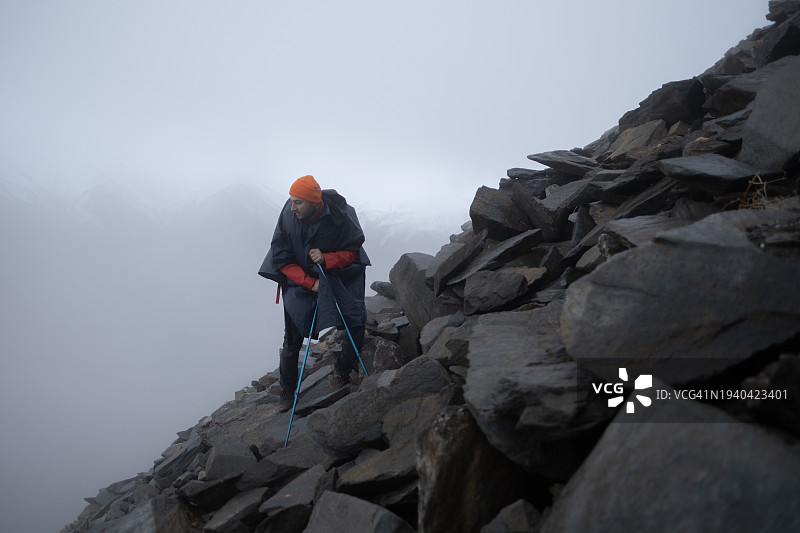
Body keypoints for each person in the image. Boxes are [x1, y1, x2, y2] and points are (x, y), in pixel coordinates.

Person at [259, 175, 370, 410]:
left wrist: (327, 259)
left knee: (355, 320)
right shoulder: (289, 217)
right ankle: (287, 391)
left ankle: (342, 372)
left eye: (298, 202)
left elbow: (353, 251)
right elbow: (280, 258)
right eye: (291, 201)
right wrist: (310, 283)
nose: (292, 207)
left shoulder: (341, 214)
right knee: (292, 338)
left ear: (314, 202)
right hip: (300, 279)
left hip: (340, 274)